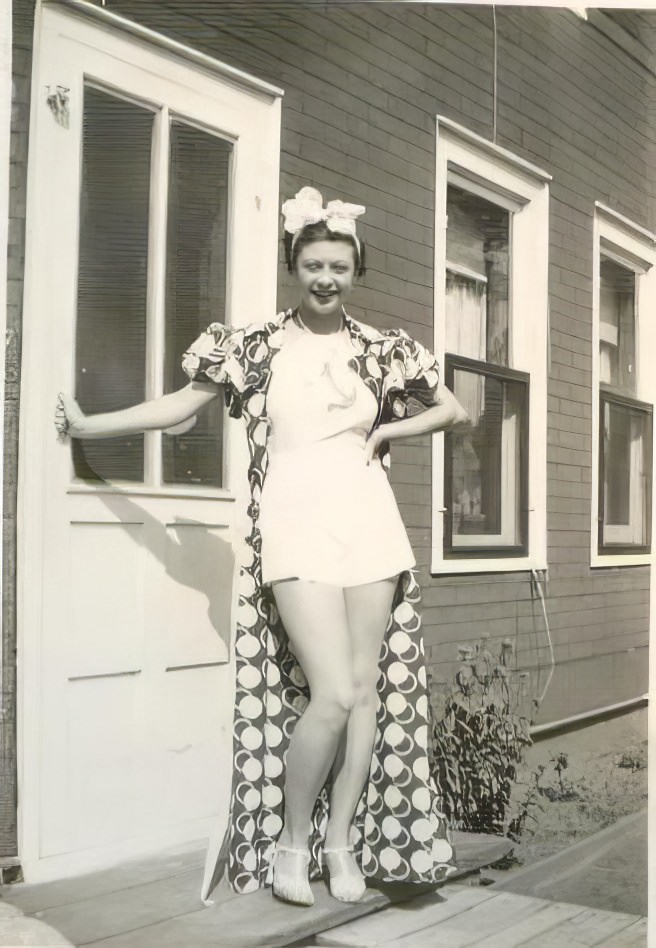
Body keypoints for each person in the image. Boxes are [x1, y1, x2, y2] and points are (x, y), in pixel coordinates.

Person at [55, 186, 467, 908]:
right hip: (296, 524)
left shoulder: (383, 349)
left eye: (339, 265)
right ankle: (291, 840)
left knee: (365, 693)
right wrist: (92, 427)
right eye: (312, 264)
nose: (325, 278)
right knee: (332, 693)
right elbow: (183, 406)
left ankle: (341, 844)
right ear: (294, 265)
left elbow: (452, 407)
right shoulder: (256, 344)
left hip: (370, 524)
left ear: (355, 267)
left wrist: (385, 432)